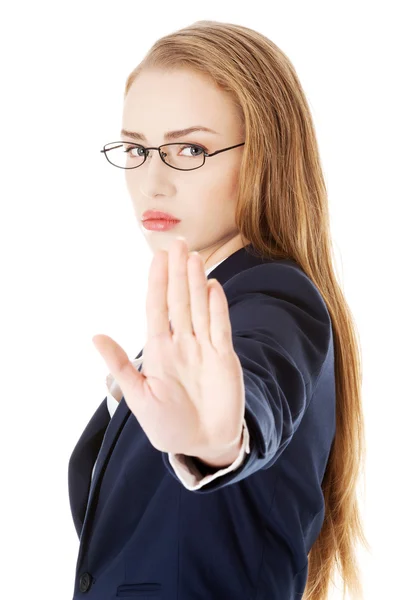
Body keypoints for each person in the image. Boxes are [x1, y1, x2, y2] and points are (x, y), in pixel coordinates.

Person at [68, 20, 369, 600]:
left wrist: (218, 446)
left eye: (191, 148)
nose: (151, 181)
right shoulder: (195, 322)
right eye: (136, 148)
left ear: (266, 158)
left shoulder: (276, 298)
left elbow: (261, 380)